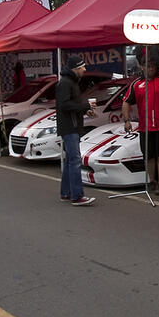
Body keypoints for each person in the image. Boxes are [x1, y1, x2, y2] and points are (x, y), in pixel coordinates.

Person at [122, 55, 159, 195]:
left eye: (152, 66)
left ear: (156, 67)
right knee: (148, 155)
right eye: (147, 66)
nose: (150, 69)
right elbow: (126, 101)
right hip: (145, 126)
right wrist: (126, 121)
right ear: (141, 67)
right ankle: (152, 181)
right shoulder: (136, 84)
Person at [56, 55, 95, 206]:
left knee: (70, 161)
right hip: (69, 127)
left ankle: (66, 192)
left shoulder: (70, 82)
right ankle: (77, 196)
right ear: (75, 69)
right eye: (82, 67)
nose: (85, 69)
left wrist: (85, 111)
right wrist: (85, 107)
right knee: (75, 160)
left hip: (71, 126)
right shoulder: (65, 83)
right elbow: (64, 105)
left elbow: (70, 105)